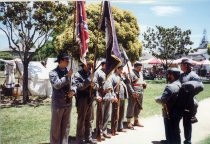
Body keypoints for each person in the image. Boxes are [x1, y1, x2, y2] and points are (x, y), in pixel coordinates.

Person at [49, 52, 76, 144]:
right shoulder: (53, 73)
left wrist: (73, 91)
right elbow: (56, 85)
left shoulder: (68, 72)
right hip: (58, 104)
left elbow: (74, 84)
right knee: (56, 128)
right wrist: (67, 76)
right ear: (60, 61)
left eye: (68, 60)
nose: (68, 62)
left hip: (68, 103)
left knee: (66, 127)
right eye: (66, 60)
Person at [177, 59, 204, 144]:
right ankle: (176, 139)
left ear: (186, 65)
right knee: (175, 120)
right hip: (180, 101)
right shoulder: (181, 75)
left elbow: (200, 86)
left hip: (188, 103)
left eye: (181, 64)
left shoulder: (193, 75)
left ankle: (187, 141)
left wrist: (191, 93)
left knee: (186, 123)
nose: (180, 66)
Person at [155, 68, 182, 144]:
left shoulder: (170, 86)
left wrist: (156, 98)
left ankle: (170, 141)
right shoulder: (180, 84)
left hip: (169, 112)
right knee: (176, 129)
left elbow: (162, 100)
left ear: (172, 75)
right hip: (178, 111)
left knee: (169, 130)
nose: (167, 76)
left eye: (168, 74)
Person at [74, 60, 98, 144]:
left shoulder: (91, 74)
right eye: (88, 65)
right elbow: (80, 87)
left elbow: (96, 85)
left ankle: (88, 138)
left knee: (89, 120)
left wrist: (94, 85)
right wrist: (88, 81)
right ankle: (79, 139)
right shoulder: (77, 75)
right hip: (82, 99)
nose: (90, 67)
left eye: (91, 66)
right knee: (81, 120)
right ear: (84, 65)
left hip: (90, 98)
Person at [95, 61, 116, 141]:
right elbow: (95, 85)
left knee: (107, 116)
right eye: (107, 65)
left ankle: (104, 131)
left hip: (108, 97)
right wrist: (97, 95)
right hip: (102, 97)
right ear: (103, 65)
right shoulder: (98, 73)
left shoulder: (109, 73)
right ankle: (99, 133)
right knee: (100, 116)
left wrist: (113, 95)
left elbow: (111, 86)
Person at [126, 61, 147, 129]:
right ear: (135, 67)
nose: (140, 69)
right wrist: (132, 92)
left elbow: (141, 81)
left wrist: (144, 84)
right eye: (138, 67)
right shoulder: (131, 73)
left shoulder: (140, 73)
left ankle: (136, 120)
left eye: (141, 67)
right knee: (131, 106)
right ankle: (129, 121)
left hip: (140, 91)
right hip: (134, 92)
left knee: (138, 106)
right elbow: (128, 84)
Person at [109, 64, 129, 135]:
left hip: (122, 97)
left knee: (121, 113)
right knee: (115, 114)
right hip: (116, 97)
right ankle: (114, 128)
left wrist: (126, 76)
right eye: (120, 69)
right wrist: (113, 96)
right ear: (116, 69)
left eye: (122, 69)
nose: (121, 70)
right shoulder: (112, 77)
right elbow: (110, 87)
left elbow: (128, 82)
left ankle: (120, 127)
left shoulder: (121, 76)